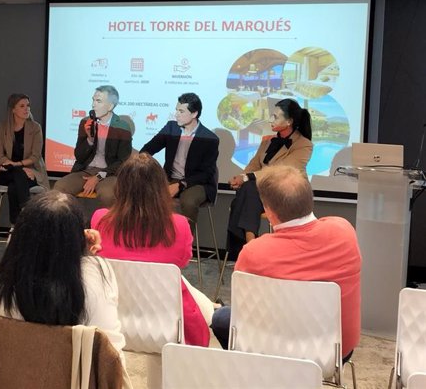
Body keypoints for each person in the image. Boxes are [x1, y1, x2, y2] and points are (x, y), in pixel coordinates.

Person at [211, 165, 361, 361]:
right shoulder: (345, 232)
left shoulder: (254, 252)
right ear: (310, 198)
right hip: (334, 352)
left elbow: (244, 311)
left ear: (268, 212)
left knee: (221, 317)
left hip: (272, 349)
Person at [0, 190, 126, 357]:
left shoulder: (4, 287)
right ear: (77, 237)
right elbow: (111, 351)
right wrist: (85, 254)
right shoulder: (97, 273)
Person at [91, 153, 213, 347]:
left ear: (120, 187)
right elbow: (181, 262)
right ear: (160, 188)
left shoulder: (100, 219)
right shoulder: (180, 225)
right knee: (204, 305)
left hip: (113, 313)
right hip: (163, 317)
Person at [227, 98, 313, 259]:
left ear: (289, 121)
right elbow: (254, 164)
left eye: (275, 117)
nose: (270, 120)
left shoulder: (304, 144)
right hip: (261, 193)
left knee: (247, 190)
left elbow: (281, 171)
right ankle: (250, 245)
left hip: (285, 194)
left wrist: (246, 178)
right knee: (249, 190)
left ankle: (245, 248)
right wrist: (241, 176)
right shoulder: (268, 141)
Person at [140, 92, 219, 221]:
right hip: (170, 178)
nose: (176, 114)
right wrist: (150, 169)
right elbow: (147, 150)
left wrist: (181, 184)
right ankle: (153, 238)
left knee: (188, 201)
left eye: (181, 111)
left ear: (194, 114)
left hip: (196, 183)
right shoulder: (171, 128)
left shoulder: (210, 138)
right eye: (176, 110)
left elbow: (206, 173)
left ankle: (186, 240)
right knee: (144, 195)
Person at [54, 85, 132, 208]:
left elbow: (122, 161)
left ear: (110, 106)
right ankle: (69, 224)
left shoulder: (122, 127)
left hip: (110, 173)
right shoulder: (86, 123)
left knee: (108, 195)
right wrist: (89, 139)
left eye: (98, 101)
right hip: (86, 169)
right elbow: (79, 156)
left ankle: (104, 226)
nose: (93, 105)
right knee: (59, 189)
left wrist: (99, 176)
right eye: (93, 100)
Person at [0, 93, 49, 225]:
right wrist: (14, 166)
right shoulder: (2, 127)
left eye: (28, 105)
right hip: (5, 171)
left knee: (14, 185)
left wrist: (18, 165)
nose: (26, 109)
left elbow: (35, 156)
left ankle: (16, 223)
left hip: (29, 171)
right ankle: (26, 211)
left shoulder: (35, 128)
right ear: (13, 109)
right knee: (18, 174)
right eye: (22, 106)